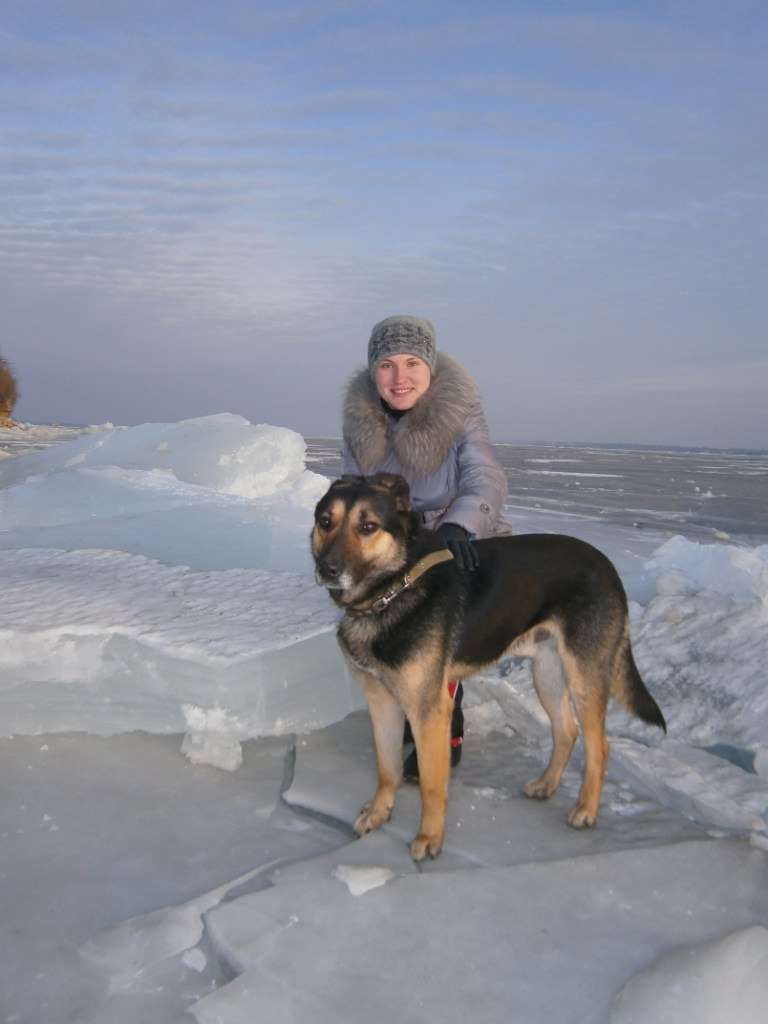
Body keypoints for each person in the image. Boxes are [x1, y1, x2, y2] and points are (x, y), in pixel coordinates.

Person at [341, 314, 512, 780]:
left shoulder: (461, 409)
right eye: (387, 365)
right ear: (374, 371)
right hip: (394, 542)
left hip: (455, 535)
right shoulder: (359, 417)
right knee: (386, 623)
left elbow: (485, 475)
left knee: (438, 629)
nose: (400, 378)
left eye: (412, 363)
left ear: (430, 367)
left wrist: (459, 525)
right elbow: (353, 486)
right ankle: (404, 704)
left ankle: (445, 725)